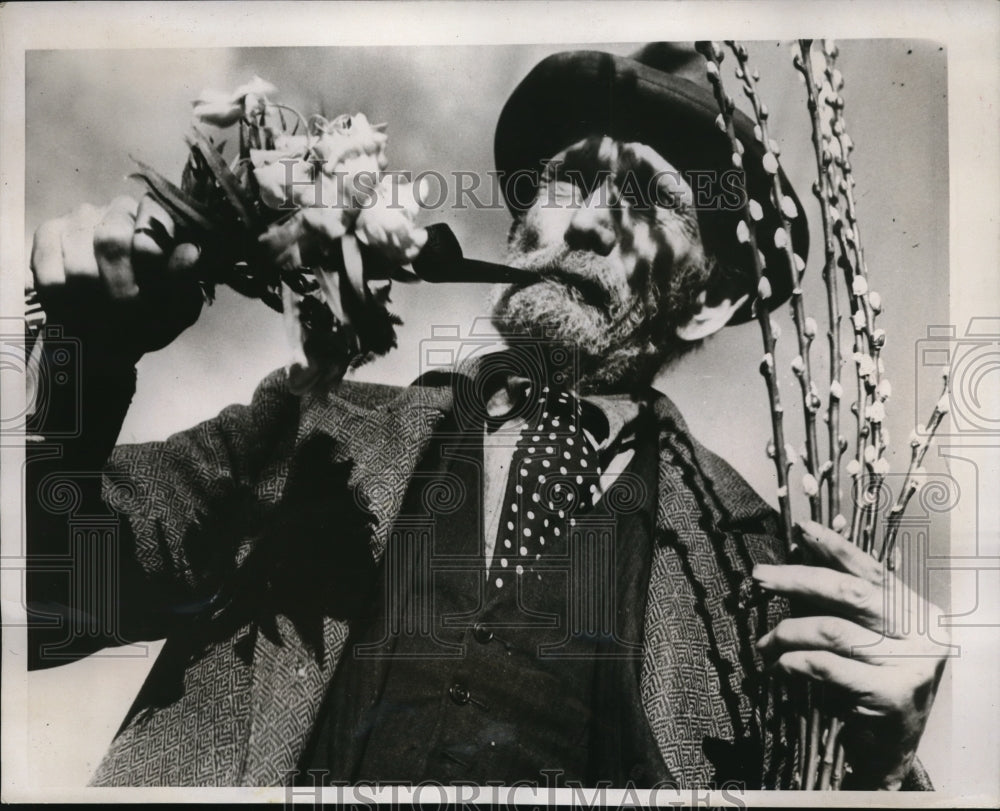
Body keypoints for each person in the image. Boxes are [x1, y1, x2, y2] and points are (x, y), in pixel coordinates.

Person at [25, 42, 946, 790]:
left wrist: (889, 770)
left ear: (707, 304)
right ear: (521, 226)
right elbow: (48, 586)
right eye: (570, 181)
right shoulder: (314, 426)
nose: (586, 223)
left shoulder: (758, 573)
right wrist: (89, 358)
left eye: (647, 201)